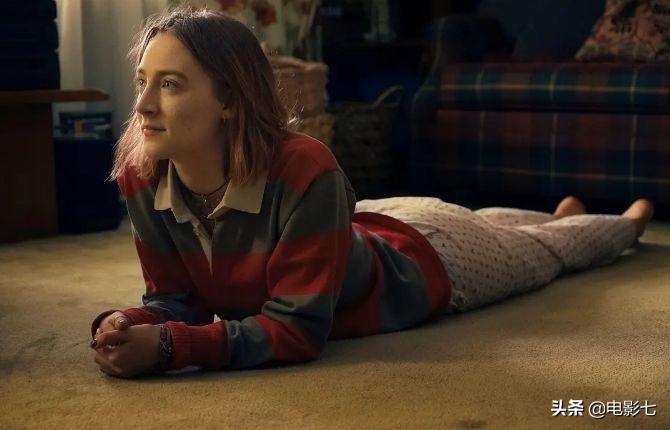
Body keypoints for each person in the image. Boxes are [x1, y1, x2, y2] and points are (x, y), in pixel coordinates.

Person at [89, 7, 655, 378]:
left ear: (231, 100)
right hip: (367, 221)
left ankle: (622, 223)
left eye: (169, 84)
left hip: (429, 262)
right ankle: (555, 213)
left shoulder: (305, 168)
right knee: (486, 218)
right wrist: (133, 322)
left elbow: (296, 330)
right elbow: (178, 301)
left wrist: (172, 348)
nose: (142, 105)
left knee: (547, 251)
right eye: (142, 82)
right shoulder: (144, 174)